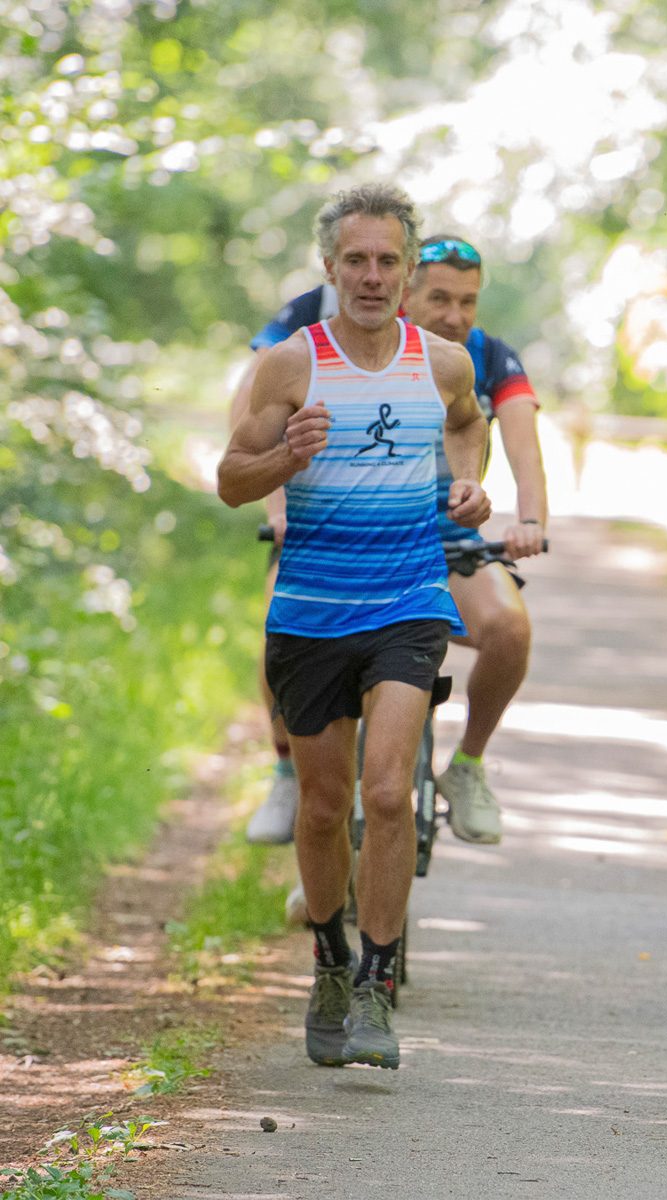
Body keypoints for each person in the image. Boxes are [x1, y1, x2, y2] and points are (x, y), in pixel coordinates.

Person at [217, 183, 492, 1069]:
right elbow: (230, 479)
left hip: (408, 603)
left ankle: (375, 983)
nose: (372, 276)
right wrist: (285, 456)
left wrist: (469, 483)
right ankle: (329, 958)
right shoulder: (290, 365)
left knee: (384, 792)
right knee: (326, 803)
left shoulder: (444, 363)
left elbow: (468, 426)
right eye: (356, 261)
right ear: (330, 267)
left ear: (409, 273)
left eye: (388, 261)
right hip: (309, 613)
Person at [234, 233, 547, 849]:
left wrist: (530, 519)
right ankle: (289, 771)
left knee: (510, 630)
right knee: (278, 618)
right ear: (406, 290)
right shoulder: (338, 334)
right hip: (334, 535)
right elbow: (253, 410)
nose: (455, 316)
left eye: (469, 302)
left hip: (441, 541)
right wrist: (280, 512)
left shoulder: (483, 357)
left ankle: (468, 768)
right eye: (440, 300)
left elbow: (523, 439)